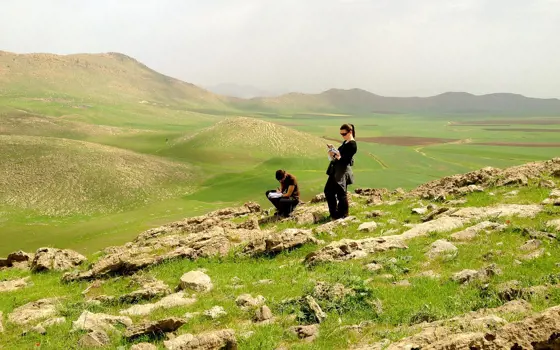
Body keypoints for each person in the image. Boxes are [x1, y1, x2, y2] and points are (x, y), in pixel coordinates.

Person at [324, 123, 357, 220]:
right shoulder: (346, 142)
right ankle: (335, 213)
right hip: (336, 171)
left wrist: (337, 156)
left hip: (341, 172)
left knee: (341, 193)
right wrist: (333, 150)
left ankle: (343, 214)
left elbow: (345, 160)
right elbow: (340, 155)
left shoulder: (352, 144)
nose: (342, 136)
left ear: (350, 132)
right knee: (329, 191)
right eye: (341, 134)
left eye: (344, 134)